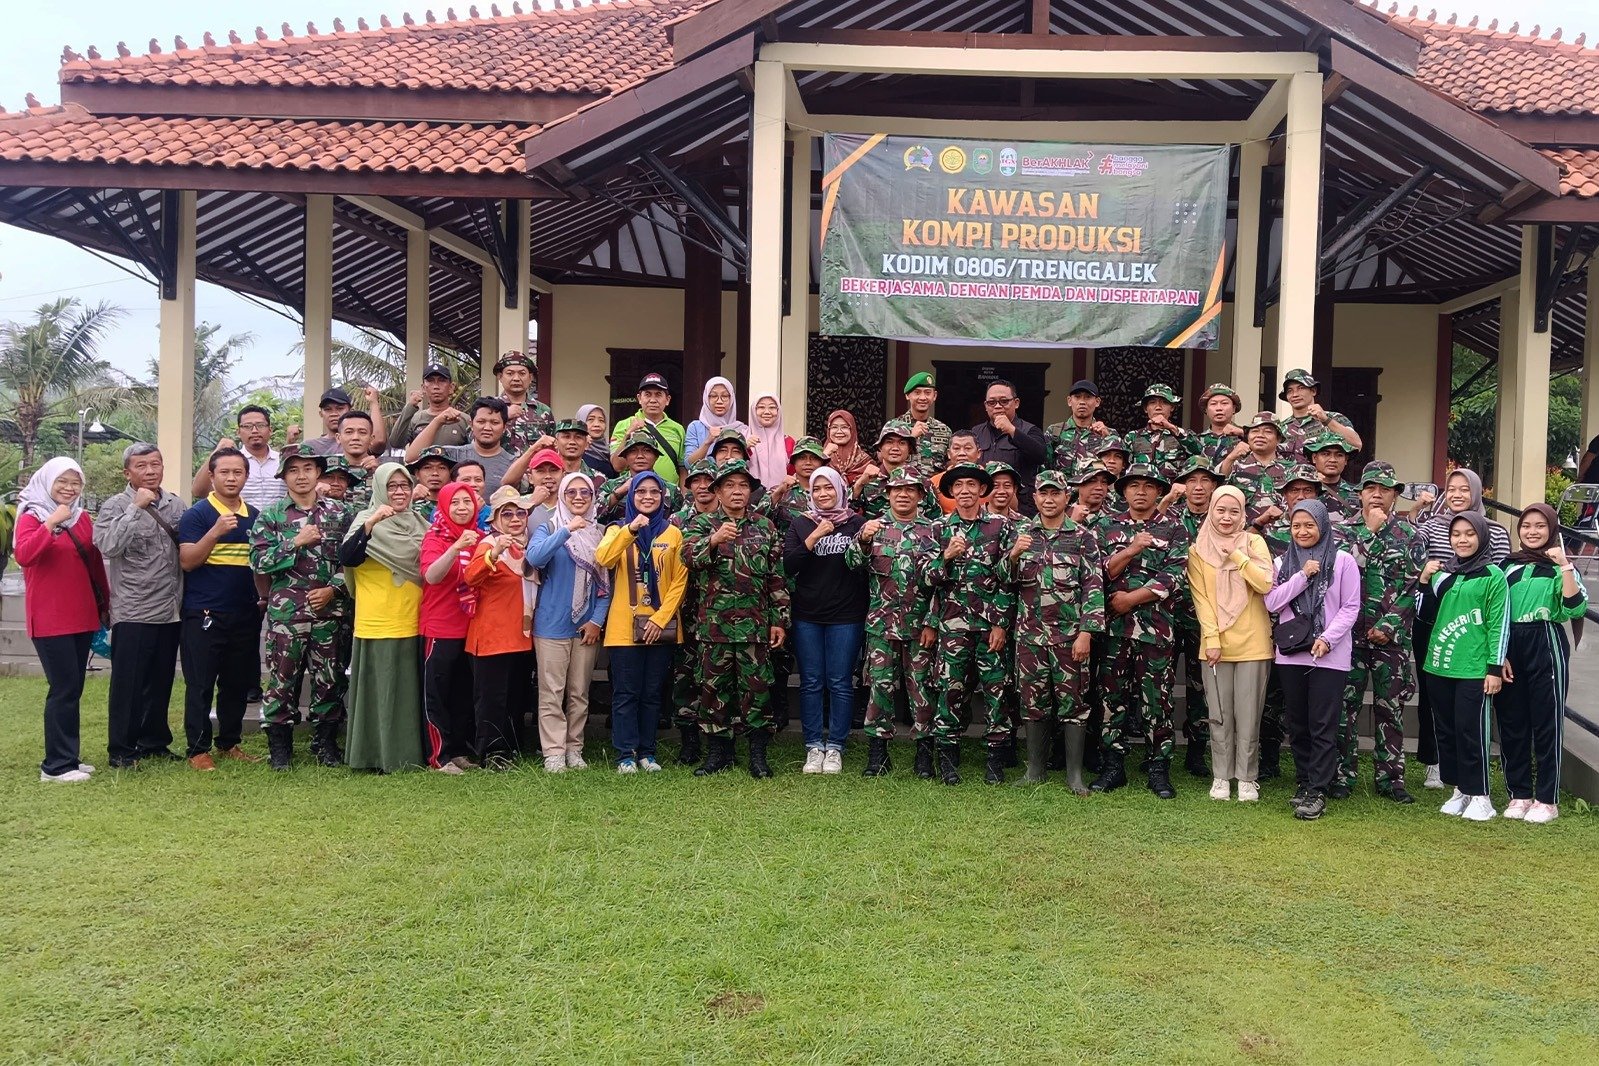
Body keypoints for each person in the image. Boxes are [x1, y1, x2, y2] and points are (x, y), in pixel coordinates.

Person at [682, 460, 790, 778]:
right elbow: (687, 558)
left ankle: (757, 753)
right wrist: (713, 541)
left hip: (755, 625)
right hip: (713, 625)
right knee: (713, 689)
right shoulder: (702, 524)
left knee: (756, 689)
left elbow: (776, 578)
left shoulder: (765, 527)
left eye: (743, 485)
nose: (737, 491)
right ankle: (719, 752)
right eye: (729, 485)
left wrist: (778, 620)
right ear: (717, 491)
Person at [250, 444, 353, 770]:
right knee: (283, 679)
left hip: (328, 612)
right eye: (294, 470)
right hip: (287, 614)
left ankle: (325, 744)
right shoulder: (271, 515)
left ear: (318, 473)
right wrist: (294, 542)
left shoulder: (339, 513)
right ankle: (280, 748)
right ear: (284, 476)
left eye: (308, 469)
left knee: (330, 678)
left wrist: (333, 589)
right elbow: (258, 561)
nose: (301, 476)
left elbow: (352, 561)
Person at [1090, 463, 1187, 798]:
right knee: (1111, 699)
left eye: (1148, 485)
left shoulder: (1174, 527)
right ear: (1124, 491)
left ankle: (1158, 769)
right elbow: (1098, 573)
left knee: (1156, 702)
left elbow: (1175, 574)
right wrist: (1130, 549)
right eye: (1134, 485)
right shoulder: (1106, 525)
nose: (1141, 491)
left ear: (1159, 491)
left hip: (1155, 630)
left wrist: (1131, 598)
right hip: (1114, 630)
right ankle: (1112, 766)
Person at [1413, 467, 1510, 789]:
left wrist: (1499, 653)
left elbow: (1501, 579)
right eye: (1451, 488)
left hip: (1476, 625)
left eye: (1464, 489)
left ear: (1477, 492)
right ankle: (1435, 762)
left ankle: (1470, 779)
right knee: (1433, 694)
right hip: (1435, 618)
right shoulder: (1431, 527)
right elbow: (1415, 561)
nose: (1456, 494)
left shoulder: (1494, 531)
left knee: (1466, 707)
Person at [1264, 500, 1361, 821]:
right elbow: (1273, 602)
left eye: (1309, 525)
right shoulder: (1282, 562)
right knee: (1298, 723)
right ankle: (1305, 781)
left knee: (1322, 724)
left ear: (1322, 525)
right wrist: (1302, 577)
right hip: (1292, 654)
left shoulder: (1343, 561)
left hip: (1329, 655)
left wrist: (1327, 638)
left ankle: (1318, 788)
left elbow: (1350, 607)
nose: (1303, 531)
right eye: (1296, 526)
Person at [1007, 469, 1103, 792]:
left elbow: (1093, 586)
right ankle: (1035, 769)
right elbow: (1003, 580)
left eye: (1055, 494)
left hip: (1068, 637)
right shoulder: (1021, 533)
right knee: (1032, 702)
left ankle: (1074, 776)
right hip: (1030, 636)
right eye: (1043, 494)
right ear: (1034, 498)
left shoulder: (1082, 537)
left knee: (1073, 703)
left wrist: (1087, 632)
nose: (1049, 500)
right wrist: (1013, 555)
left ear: (1066, 497)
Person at [14, 457, 108, 783]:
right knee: (63, 688)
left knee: (74, 688)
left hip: (82, 615)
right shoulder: (32, 515)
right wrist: (51, 523)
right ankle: (55, 766)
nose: (69, 489)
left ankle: (69, 757)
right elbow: (25, 555)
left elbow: (94, 564)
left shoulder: (82, 519)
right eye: (62, 482)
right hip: (49, 617)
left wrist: (105, 605)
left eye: (75, 483)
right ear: (47, 482)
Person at [1338, 461, 1427, 803]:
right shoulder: (1344, 532)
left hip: (1391, 640)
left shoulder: (1411, 536)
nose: (1377, 495)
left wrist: (1388, 627)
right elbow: (1338, 574)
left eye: (1385, 490)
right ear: (1359, 493)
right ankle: (1341, 774)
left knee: (1390, 709)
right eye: (1371, 488)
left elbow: (1413, 587)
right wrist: (1367, 534)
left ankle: (1391, 779)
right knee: (1344, 709)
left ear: (1395, 496)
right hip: (1349, 637)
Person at [94, 443, 185, 767]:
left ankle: (154, 741)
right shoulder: (115, 506)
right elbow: (108, 545)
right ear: (127, 472)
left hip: (170, 609)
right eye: (142, 466)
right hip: (133, 610)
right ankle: (121, 748)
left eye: (155, 464)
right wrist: (135, 508)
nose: (150, 471)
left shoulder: (176, 504)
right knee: (128, 684)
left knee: (161, 680)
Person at [846, 467, 941, 778]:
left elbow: (942, 582)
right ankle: (878, 755)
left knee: (922, 689)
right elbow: (851, 564)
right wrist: (861, 541)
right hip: (881, 624)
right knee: (880, 689)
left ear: (920, 495)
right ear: (887, 494)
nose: (903, 494)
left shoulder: (934, 531)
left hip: (919, 626)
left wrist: (931, 621)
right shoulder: (874, 527)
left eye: (910, 489)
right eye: (897, 489)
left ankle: (923, 754)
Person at [928, 461, 1015, 785]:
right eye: (958, 486)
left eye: (971, 485)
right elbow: (926, 578)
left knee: (996, 692)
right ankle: (948, 760)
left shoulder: (999, 527)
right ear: (951, 492)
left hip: (989, 625)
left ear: (982, 491)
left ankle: (995, 760)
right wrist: (946, 556)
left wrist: (1001, 624)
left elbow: (1009, 579)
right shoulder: (939, 528)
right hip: (952, 626)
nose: (965, 491)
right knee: (949, 691)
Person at [1186, 486, 1274, 802]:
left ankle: (1247, 778)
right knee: (1219, 713)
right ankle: (1221, 776)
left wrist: (1237, 555)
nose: (1226, 517)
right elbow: (1202, 599)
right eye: (1221, 510)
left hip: (1254, 641)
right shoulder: (1198, 551)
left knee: (1249, 714)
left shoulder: (1254, 543)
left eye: (1234, 511)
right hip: (1216, 644)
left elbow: (1265, 583)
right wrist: (1211, 639)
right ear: (1211, 510)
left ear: (1242, 514)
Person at [337, 463, 428, 773]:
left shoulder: (420, 523)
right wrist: (372, 523)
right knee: (381, 692)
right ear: (379, 489)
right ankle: (374, 756)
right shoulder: (366, 520)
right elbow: (347, 557)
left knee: (407, 693)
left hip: (413, 618)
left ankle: (407, 755)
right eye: (392, 486)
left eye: (405, 485)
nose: (399, 492)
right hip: (377, 621)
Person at [1498, 503, 1585, 824]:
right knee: (1511, 720)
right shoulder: (1507, 566)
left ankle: (1547, 798)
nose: (1532, 531)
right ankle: (1519, 792)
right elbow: (1496, 610)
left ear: (1552, 530)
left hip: (1545, 641)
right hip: (1509, 643)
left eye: (1540, 526)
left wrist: (1564, 566)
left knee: (1546, 721)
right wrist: (1500, 653)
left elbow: (1575, 608)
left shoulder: (1560, 567)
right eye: (1526, 526)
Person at [596, 472, 688, 773]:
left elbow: (679, 581)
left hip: (660, 628)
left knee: (652, 693)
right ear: (631, 496)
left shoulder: (672, 533)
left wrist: (660, 619)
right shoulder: (618, 528)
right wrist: (630, 532)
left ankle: (647, 752)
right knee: (626, 693)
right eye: (641, 492)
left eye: (654, 492)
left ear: (663, 497)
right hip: (625, 627)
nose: (648, 497)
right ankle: (625, 753)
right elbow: (604, 559)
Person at [177, 448, 263, 771]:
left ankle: (229, 743)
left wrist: (263, 598)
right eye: (224, 472)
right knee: (200, 683)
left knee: (236, 682)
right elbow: (187, 561)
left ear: (246, 476)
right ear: (211, 477)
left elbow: (259, 566)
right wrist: (215, 532)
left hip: (244, 612)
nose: (231, 478)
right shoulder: (197, 515)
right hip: (204, 613)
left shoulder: (254, 516)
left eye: (237, 472)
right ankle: (198, 749)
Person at [784, 467, 868, 774]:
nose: (823, 493)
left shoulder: (856, 523)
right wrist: (815, 537)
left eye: (828, 488)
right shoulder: (801, 523)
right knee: (811, 682)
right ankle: (813, 747)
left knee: (840, 682)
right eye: (817, 488)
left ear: (840, 489)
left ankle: (835, 747)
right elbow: (789, 565)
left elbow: (865, 566)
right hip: (807, 615)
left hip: (846, 615)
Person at [527, 472, 612, 772]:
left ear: (592, 498)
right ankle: (553, 751)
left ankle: (574, 748)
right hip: (551, 624)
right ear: (562, 496)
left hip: (586, 627)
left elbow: (605, 584)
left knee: (579, 691)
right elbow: (535, 558)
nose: (578, 498)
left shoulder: (600, 534)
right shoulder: (549, 526)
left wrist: (597, 621)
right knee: (551, 691)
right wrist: (566, 531)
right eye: (572, 492)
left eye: (585, 493)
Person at [463, 487, 537, 769]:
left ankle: (510, 746)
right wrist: (494, 553)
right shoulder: (489, 544)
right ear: (494, 520)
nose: (515, 519)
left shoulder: (525, 546)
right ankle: (491, 753)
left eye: (520, 513)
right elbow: (471, 576)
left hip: (520, 635)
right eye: (507, 514)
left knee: (514, 697)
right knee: (492, 700)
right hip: (492, 636)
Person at [419, 481, 482, 774]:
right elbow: (432, 576)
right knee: (438, 694)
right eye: (454, 502)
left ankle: (459, 751)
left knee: (462, 694)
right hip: (440, 627)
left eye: (466, 502)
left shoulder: (481, 537)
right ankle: (439, 756)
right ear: (444, 507)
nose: (461, 508)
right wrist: (456, 547)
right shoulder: (435, 538)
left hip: (471, 627)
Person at [970, 379, 1048, 513]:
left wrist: (1012, 430)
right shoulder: (976, 432)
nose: (998, 406)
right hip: (984, 510)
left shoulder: (1030, 430)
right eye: (992, 402)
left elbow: (1040, 455)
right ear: (985, 405)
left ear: (1016, 403)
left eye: (1004, 401)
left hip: (1021, 510)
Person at [406, 397, 517, 489]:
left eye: (495, 422)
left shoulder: (513, 464)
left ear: (504, 427)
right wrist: (437, 421)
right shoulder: (452, 455)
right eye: (481, 422)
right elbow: (411, 457)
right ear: (471, 424)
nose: (487, 428)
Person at [191, 404, 288, 508]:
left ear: (270, 430)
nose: (254, 431)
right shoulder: (230, 462)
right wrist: (217, 452)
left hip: (278, 523)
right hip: (240, 522)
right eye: (247, 426)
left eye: (260, 425)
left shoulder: (284, 460)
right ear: (238, 432)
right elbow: (198, 492)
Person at [610, 372, 684, 483]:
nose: (653, 400)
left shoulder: (678, 429)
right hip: (633, 493)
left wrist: (683, 496)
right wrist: (628, 434)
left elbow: (682, 468)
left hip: (669, 495)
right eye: (648, 394)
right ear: (639, 398)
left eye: (658, 394)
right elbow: (617, 466)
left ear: (667, 399)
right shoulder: (624, 425)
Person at [1279, 368, 1361, 461]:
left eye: (1301, 388)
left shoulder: (1335, 418)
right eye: (1290, 391)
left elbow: (1357, 444)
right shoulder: (1281, 428)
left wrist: (1326, 420)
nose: (1295, 394)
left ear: (1313, 391)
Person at [1128, 383, 1199, 482]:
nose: (1158, 407)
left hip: (1174, 494)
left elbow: (1199, 452)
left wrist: (1171, 428)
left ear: (1172, 407)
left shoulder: (1183, 435)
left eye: (1164, 402)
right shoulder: (1132, 437)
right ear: (1145, 408)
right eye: (1152, 403)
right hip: (1143, 492)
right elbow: (1122, 468)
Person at [390, 362, 468, 448]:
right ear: (423, 388)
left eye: (442, 380)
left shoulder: (463, 419)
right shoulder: (415, 420)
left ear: (451, 387)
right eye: (430, 381)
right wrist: (410, 406)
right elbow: (395, 443)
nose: (436, 386)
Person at [493, 350, 556, 455]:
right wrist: (502, 416)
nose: (516, 378)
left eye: (522, 373)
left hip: (533, 470)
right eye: (510, 373)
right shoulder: (488, 407)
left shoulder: (544, 411)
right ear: (500, 377)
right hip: (498, 470)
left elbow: (553, 446)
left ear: (530, 377)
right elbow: (474, 440)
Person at [1045, 379, 1110, 477]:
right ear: (1069, 401)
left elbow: (1113, 469)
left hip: (1093, 489)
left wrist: (1108, 439)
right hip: (1064, 490)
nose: (1082, 402)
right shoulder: (1055, 431)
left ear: (1097, 402)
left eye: (1088, 397)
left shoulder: (1107, 433)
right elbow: (1045, 467)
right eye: (1077, 397)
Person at [303, 386, 388, 457]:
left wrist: (374, 402)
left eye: (340, 408)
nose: (334, 413)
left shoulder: (357, 441)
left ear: (350, 410)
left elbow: (378, 441)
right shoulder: (311, 446)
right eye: (328, 409)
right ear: (321, 414)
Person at [684, 376, 746, 466]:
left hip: (730, 479)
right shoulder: (695, 427)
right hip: (704, 479)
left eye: (724, 396)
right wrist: (708, 442)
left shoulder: (742, 429)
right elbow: (688, 464)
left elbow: (746, 463)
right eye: (713, 396)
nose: (719, 401)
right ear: (706, 398)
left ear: (731, 399)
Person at [900, 371, 951, 479]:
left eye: (927, 393)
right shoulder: (894, 427)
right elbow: (883, 459)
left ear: (934, 396)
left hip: (934, 492)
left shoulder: (944, 430)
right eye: (917, 393)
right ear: (907, 395)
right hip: (903, 490)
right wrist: (910, 438)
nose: (923, 398)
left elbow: (949, 463)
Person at [1304, 433, 1361, 520]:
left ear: (1346, 460)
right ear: (1314, 458)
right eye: (1326, 454)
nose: (1332, 460)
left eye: (1339, 455)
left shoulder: (1358, 494)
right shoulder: (1301, 492)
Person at [748, 393, 793, 491]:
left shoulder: (788, 442)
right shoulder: (743, 438)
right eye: (761, 407)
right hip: (748, 499)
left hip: (781, 498)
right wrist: (744, 447)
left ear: (778, 411)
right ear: (753, 411)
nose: (767, 412)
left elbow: (794, 472)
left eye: (772, 407)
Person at [1194, 384, 1246, 467]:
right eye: (1213, 404)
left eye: (1224, 403)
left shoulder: (1246, 437)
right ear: (1206, 410)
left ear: (1233, 408)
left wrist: (1242, 433)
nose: (1219, 408)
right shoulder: (1197, 441)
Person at [934, 430, 983, 513]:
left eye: (968, 448)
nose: (962, 453)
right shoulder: (934, 483)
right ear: (949, 453)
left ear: (978, 453)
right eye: (956, 448)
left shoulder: (992, 480)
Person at [823, 409, 872, 485]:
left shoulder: (864, 461)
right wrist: (824, 456)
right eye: (834, 427)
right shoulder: (819, 456)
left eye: (844, 427)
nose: (839, 431)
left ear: (852, 430)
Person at [576, 404, 614, 476]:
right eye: (590, 419)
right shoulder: (575, 452)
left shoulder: (610, 450)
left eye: (601, 420)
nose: (597, 424)